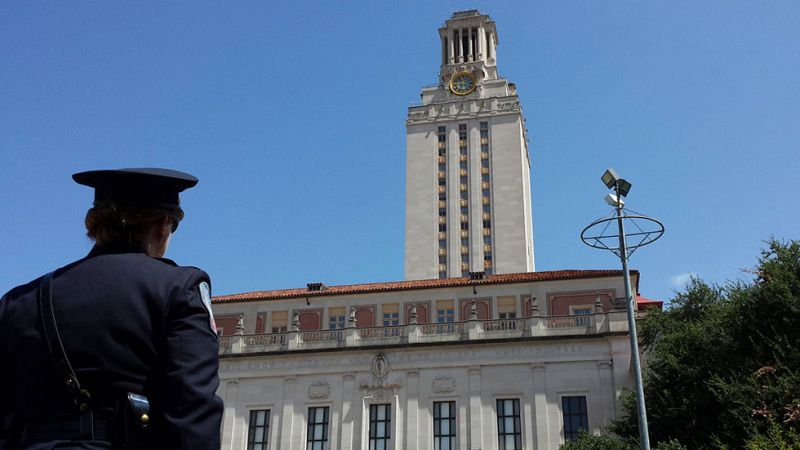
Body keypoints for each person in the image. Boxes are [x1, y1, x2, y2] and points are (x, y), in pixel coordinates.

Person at [0, 168, 223, 449]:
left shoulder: (19, 301)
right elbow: (191, 417)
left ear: (95, 225)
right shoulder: (179, 289)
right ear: (162, 225)